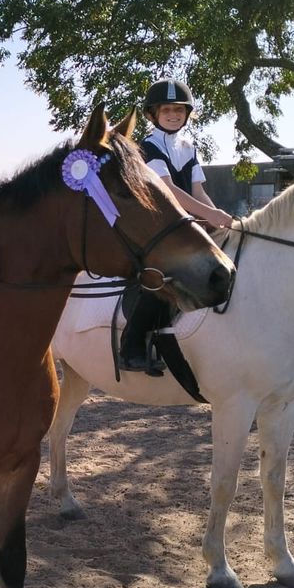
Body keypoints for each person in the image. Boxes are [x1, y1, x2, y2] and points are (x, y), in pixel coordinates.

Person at [119, 79, 232, 375]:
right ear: (153, 114)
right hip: (160, 223)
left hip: (187, 222)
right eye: (167, 110)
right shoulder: (148, 146)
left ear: (187, 114)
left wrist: (217, 215)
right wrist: (207, 213)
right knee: (160, 279)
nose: (173, 115)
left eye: (179, 110)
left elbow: (198, 192)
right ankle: (131, 347)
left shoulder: (188, 147)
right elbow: (169, 192)